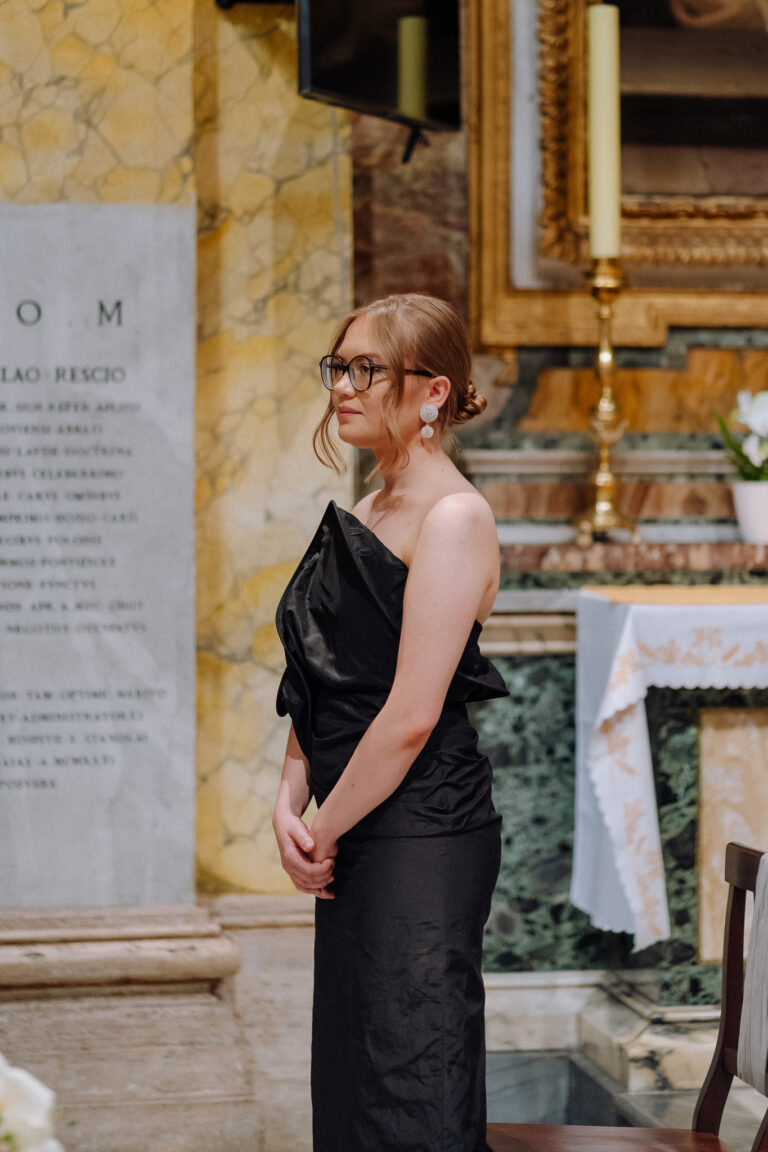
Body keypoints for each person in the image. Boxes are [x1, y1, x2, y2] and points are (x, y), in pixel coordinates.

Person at [272, 293, 508, 1152]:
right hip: (351, 826)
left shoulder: (456, 518)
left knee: (411, 1086)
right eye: (339, 366)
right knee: (352, 1084)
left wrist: (321, 828)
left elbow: (410, 715)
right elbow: (319, 674)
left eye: (366, 369)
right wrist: (288, 797)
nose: (342, 386)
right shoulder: (368, 510)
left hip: (419, 835)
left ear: (432, 391)